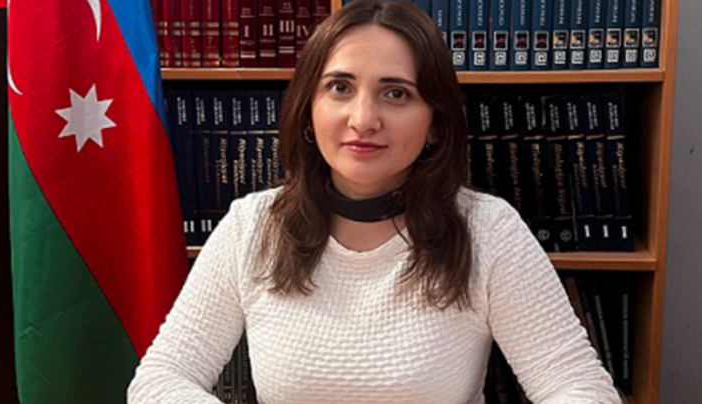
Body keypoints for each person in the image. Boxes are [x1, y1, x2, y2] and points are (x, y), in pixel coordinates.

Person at [128, 1, 622, 403]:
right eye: (340, 88)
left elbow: (579, 387)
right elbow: (161, 379)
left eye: (396, 94)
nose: (363, 119)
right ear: (309, 109)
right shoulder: (253, 226)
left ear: (435, 123)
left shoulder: (487, 230)